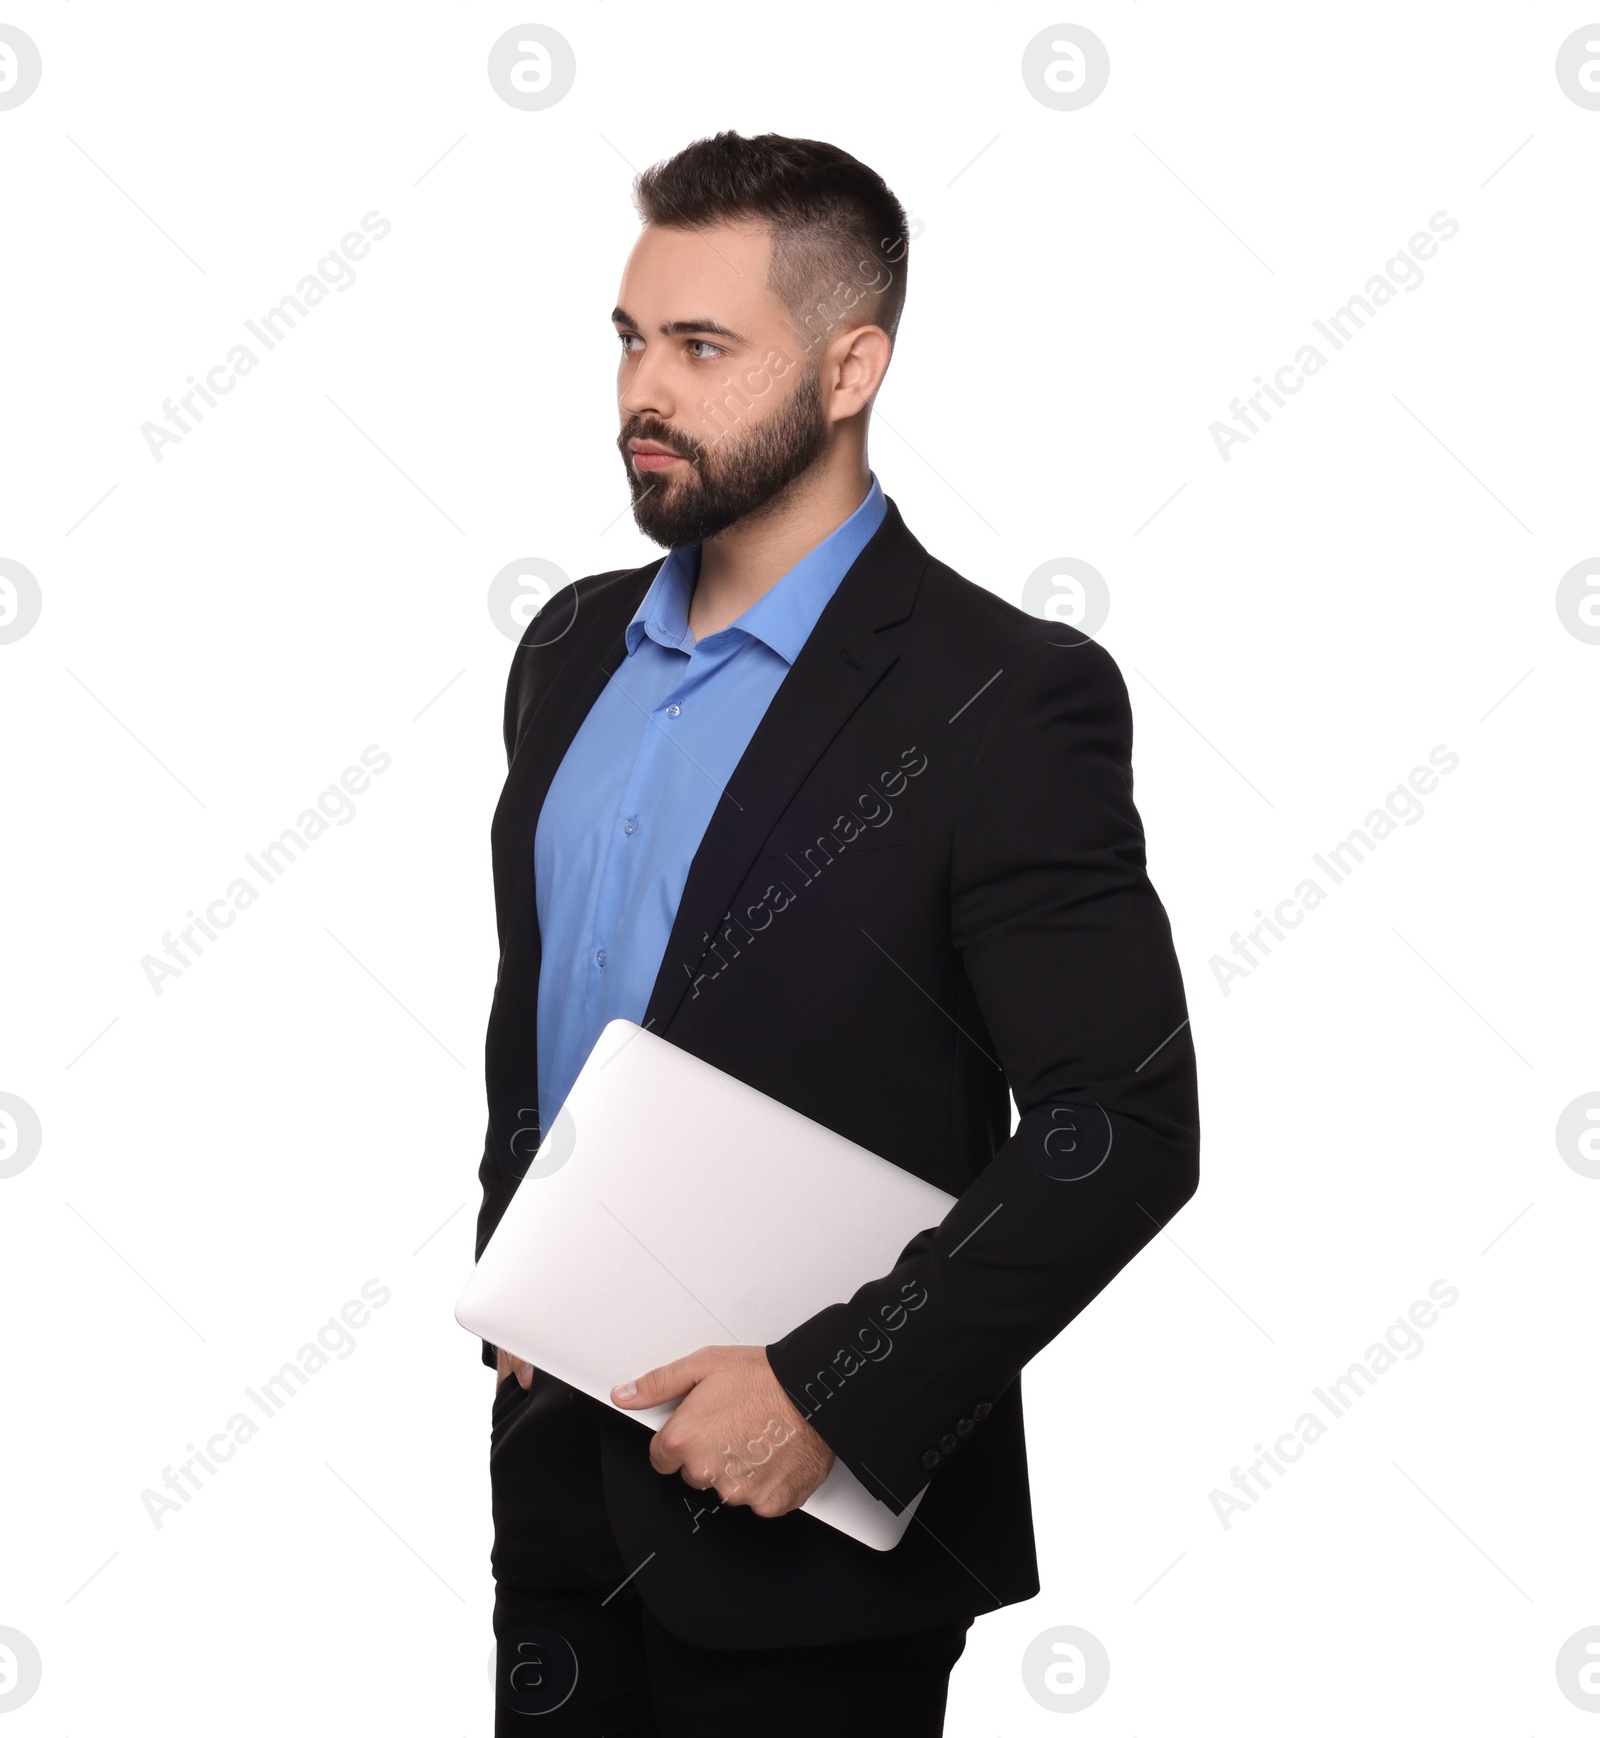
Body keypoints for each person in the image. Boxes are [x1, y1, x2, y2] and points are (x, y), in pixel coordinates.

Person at [475, 130, 1200, 1735]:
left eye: (703, 347)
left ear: (853, 364)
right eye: (630, 339)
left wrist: (831, 1393)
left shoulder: (1007, 698)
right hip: (558, 1517)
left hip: (807, 1557)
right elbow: (541, 1011)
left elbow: (1122, 1126)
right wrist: (514, 1279)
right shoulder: (569, 645)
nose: (641, 393)